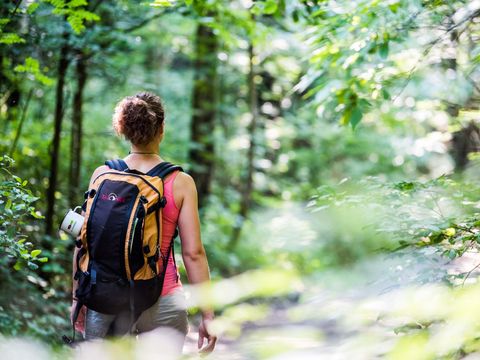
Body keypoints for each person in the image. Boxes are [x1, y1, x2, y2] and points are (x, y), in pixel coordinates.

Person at [71, 92, 217, 355]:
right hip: (162, 298)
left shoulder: (102, 175)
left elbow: (83, 242)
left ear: (123, 129)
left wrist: (77, 298)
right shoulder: (180, 182)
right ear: (161, 129)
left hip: (104, 298)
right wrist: (208, 314)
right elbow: (193, 253)